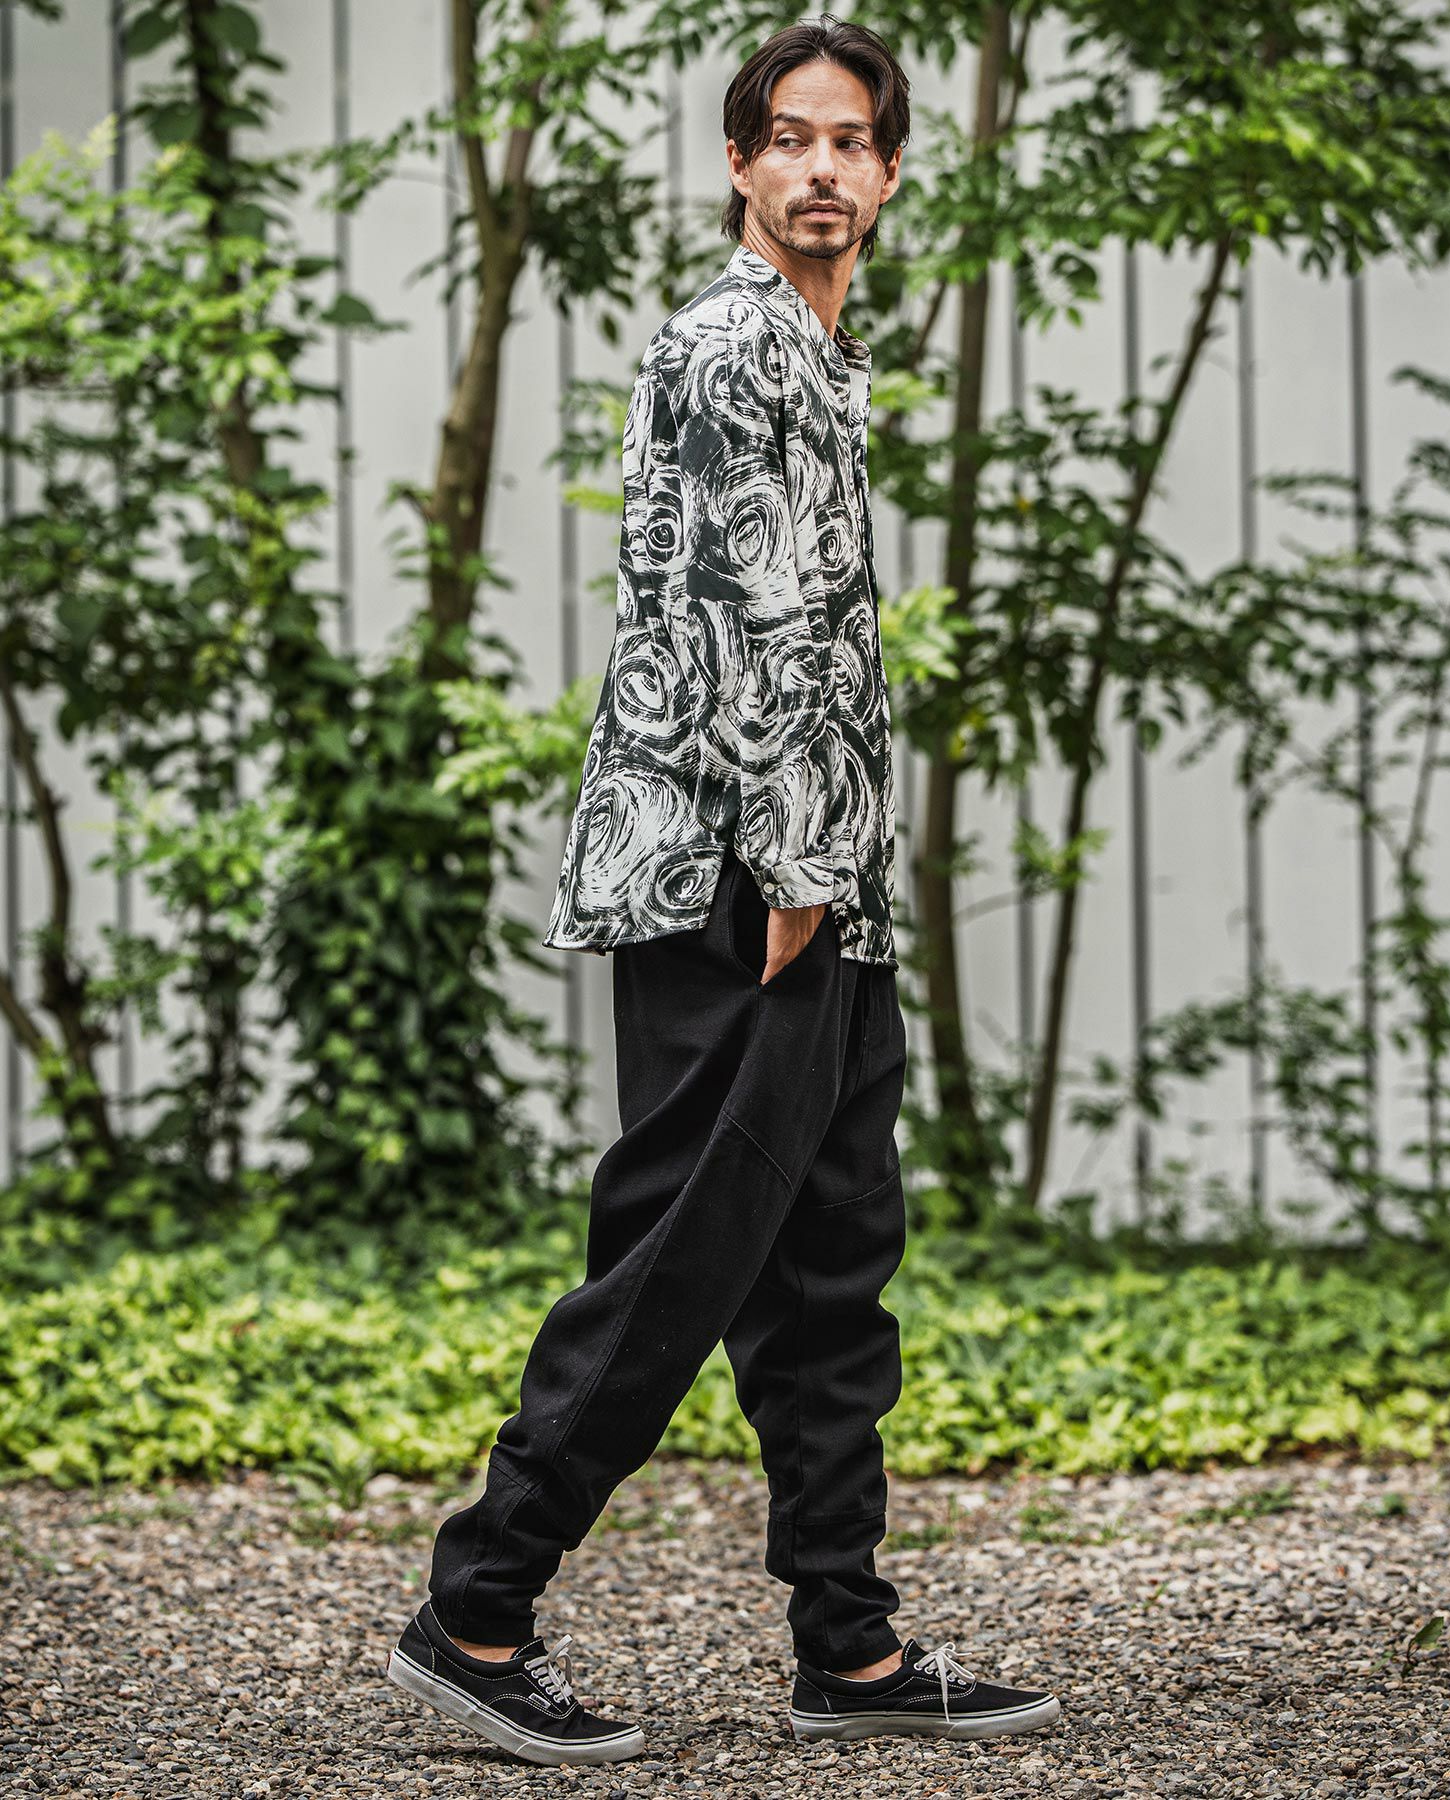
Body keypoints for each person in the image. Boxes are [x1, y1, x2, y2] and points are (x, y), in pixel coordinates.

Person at [386, 16, 1061, 1767]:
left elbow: (814, 629)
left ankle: (849, 1646)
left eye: (854, 142)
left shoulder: (819, 356)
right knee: (684, 1250)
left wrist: (837, 873)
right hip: (741, 876)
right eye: (792, 138)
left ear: (889, 174)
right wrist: (801, 865)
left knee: (833, 1265)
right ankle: (478, 1607)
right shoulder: (729, 341)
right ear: (743, 163)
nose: (823, 167)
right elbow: (760, 623)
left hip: (820, 875)